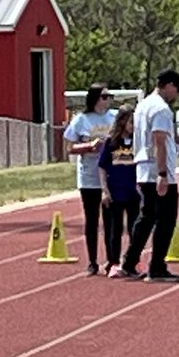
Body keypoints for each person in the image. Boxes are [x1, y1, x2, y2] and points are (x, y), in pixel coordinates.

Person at [119, 69, 179, 282]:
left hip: (143, 167)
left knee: (147, 216)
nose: (176, 95)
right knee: (166, 219)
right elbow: (159, 141)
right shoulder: (161, 109)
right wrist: (162, 174)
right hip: (157, 170)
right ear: (169, 85)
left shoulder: (143, 105)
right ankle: (157, 266)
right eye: (176, 89)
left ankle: (129, 262)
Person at [63, 83, 113, 275]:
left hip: (110, 177)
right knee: (92, 219)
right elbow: (69, 147)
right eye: (104, 96)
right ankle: (92, 261)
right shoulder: (81, 120)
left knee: (111, 220)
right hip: (89, 176)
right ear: (95, 99)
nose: (108, 100)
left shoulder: (114, 117)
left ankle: (111, 260)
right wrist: (90, 146)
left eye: (109, 96)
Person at [98, 104, 139, 278]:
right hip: (115, 191)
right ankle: (113, 262)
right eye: (131, 122)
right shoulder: (111, 142)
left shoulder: (139, 141)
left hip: (134, 192)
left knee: (134, 229)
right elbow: (102, 167)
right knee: (114, 230)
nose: (134, 126)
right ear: (122, 122)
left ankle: (131, 262)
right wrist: (104, 191)